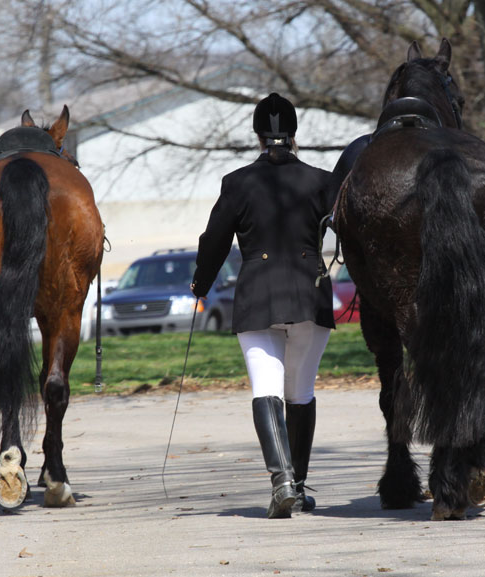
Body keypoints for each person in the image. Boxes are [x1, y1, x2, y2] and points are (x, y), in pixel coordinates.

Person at [191, 93, 336, 519]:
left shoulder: (237, 182)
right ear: (293, 134)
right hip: (310, 294)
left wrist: (202, 282)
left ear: (257, 134)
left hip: (257, 296)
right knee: (301, 392)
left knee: (266, 389)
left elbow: (214, 239)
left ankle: (283, 484)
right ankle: (299, 485)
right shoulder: (323, 181)